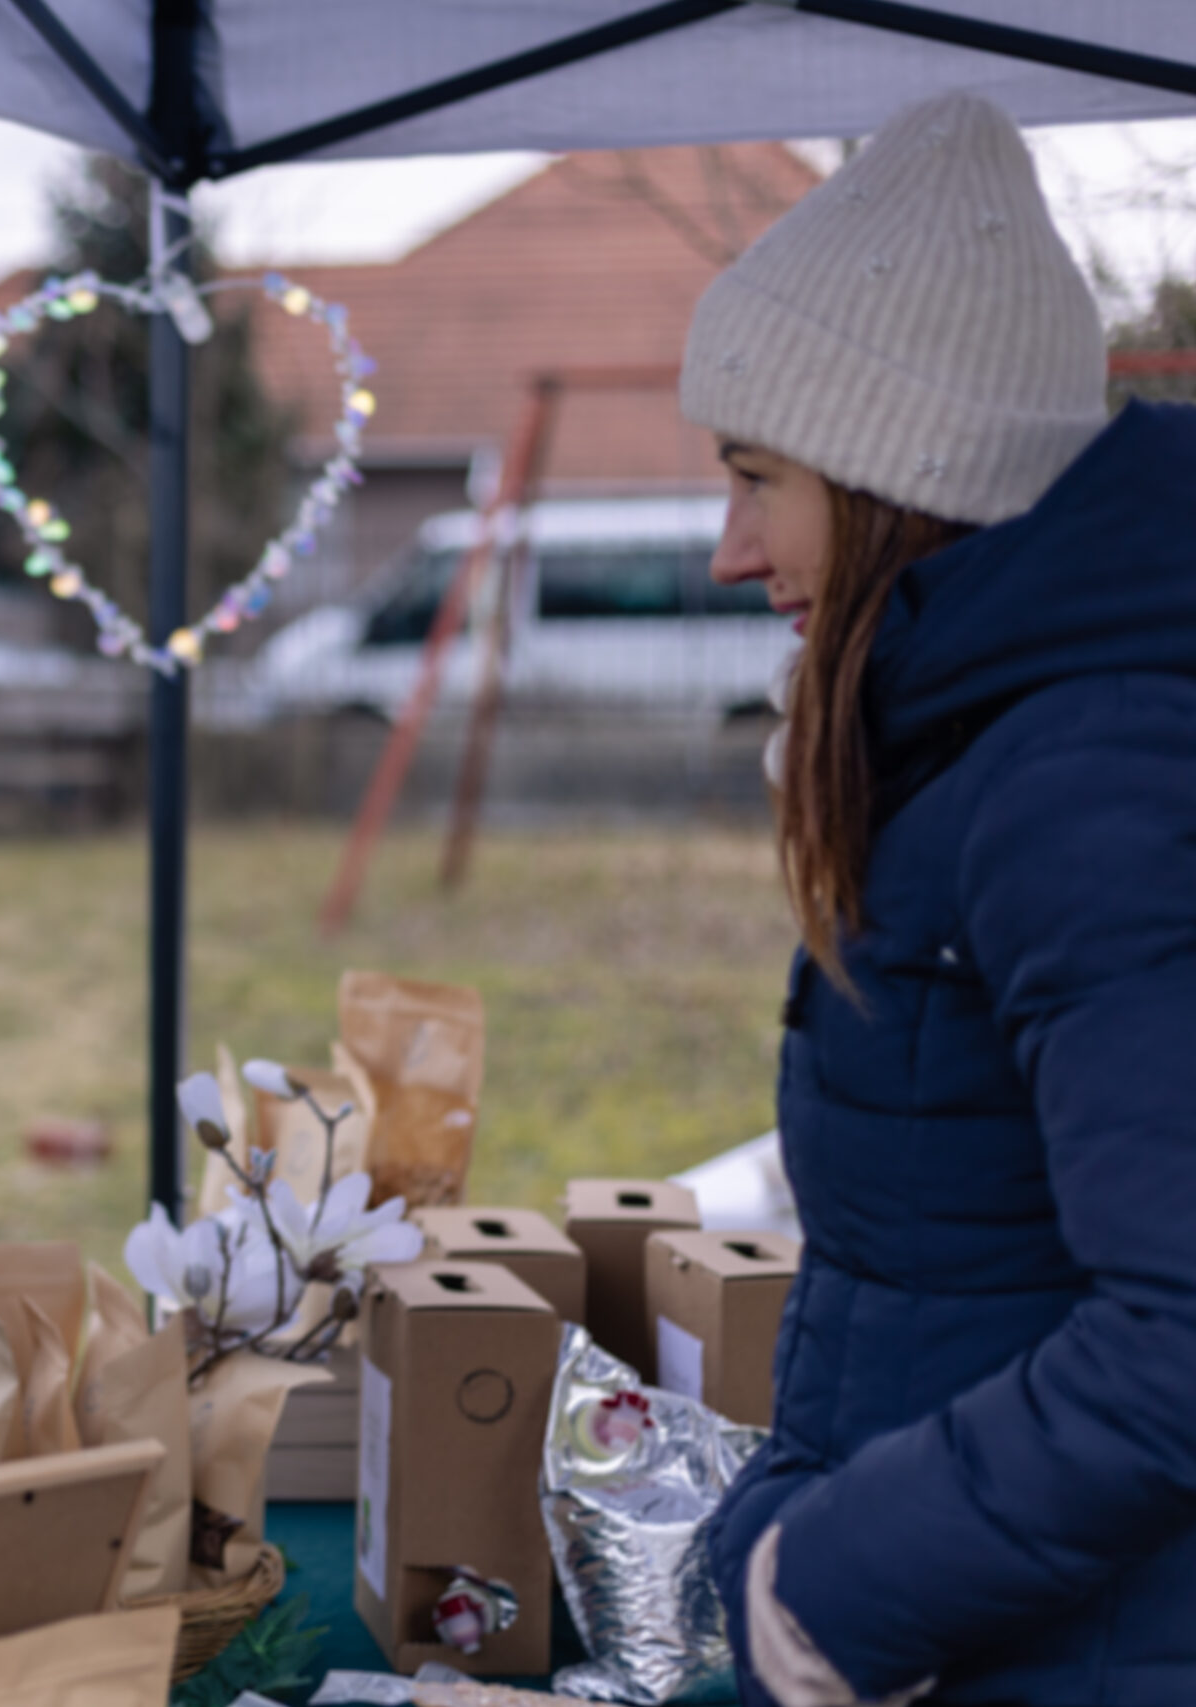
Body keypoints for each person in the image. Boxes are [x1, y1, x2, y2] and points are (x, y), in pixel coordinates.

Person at [682, 91, 1196, 1706]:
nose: (727, 549)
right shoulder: (989, 747)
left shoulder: (1085, 780)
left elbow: (1181, 1334)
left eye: (757, 477)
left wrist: (830, 1592)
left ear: (897, 473)